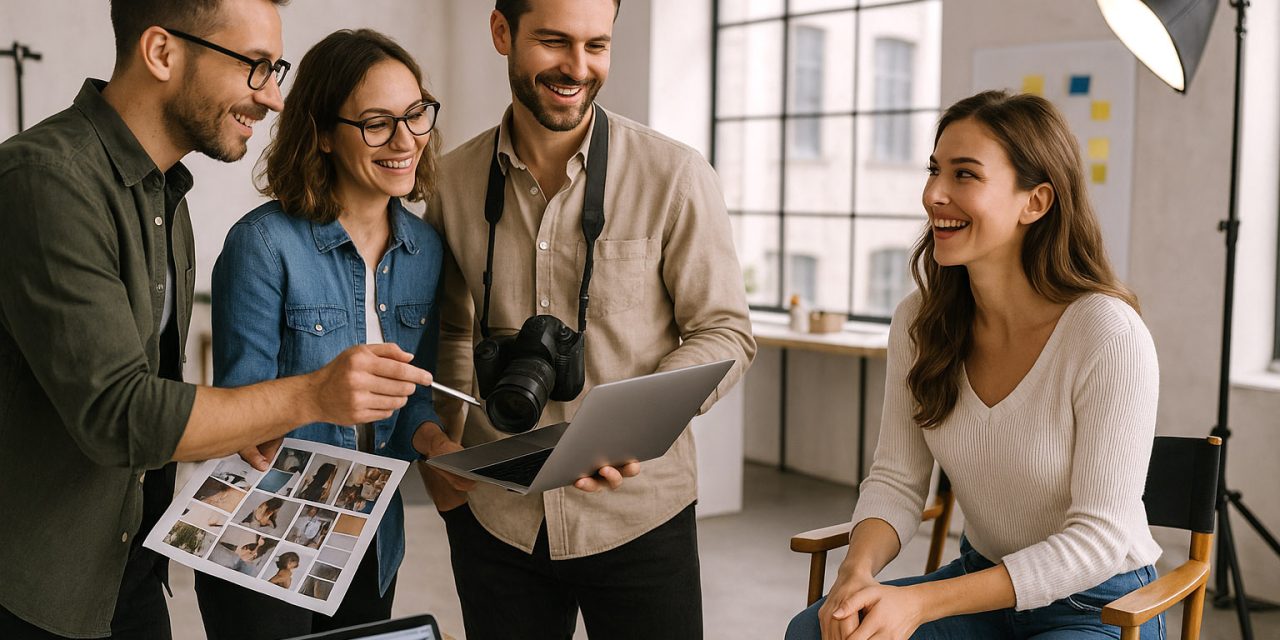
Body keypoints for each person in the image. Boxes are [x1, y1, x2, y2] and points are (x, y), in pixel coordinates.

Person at [0, 2, 433, 638]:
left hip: (129, 569)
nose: (275, 98)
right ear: (161, 52)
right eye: (256, 67)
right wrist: (314, 394)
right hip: (42, 591)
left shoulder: (166, 199)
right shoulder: (47, 181)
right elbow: (122, 416)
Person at [422, 1, 755, 637]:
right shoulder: (450, 181)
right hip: (495, 517)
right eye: (553, 42)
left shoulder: (675, 175)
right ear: (502, 33)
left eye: (596, 45)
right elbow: (449, 333)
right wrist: (438, 454)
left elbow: (724, 331)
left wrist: (631, 422)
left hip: (641, 515)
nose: (578, 67)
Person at [785, 90, 1163, 639]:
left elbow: (1100, 540)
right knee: (820, 632)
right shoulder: (920, 321)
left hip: (1096, 603)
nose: (933, 194)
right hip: (982, 587)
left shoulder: (1107, 333)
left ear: (1035, 202)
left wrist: (922, 602)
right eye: (935, 170)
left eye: (965, 175)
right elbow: (896, 479)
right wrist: (856, 573)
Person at [195, 28, 461, 640]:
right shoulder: (263, 244)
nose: (405, 141)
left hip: (370, 531)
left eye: (415, 114)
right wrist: (321, 393)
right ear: (320, 133)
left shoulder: (425, 250)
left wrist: (437, 445)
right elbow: (240, 414)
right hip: (266, 530)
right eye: (376, 123)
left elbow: (414, 396)